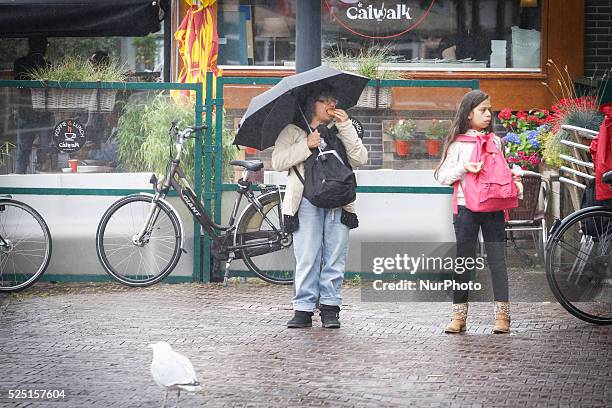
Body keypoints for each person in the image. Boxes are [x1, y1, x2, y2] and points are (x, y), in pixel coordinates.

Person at [271, 88, 368, 329]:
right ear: (311, 104)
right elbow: (278, 162)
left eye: (333, 99)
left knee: (335, 255)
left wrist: (346, 127)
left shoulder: (341, 129)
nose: (331, 103)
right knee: (307, 255)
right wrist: (306, 144)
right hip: (305, 200)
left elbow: (360, 158)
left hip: (339, 200)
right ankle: (303, 308)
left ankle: (330, 308)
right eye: (324, 99)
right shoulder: (293, 131)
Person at [434, 90, 521, 334]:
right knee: (464, 262)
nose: (488, 114)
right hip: (465, 209)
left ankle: (503, 317)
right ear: (468, 113)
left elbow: (500, 171)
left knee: (497, 262)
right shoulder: (458, 143)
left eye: (489, 109)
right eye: (482, 110)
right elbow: (441, 176)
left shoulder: (495, 141)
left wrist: (513, 178)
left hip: (493, 208)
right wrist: (464, 168)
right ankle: (458, 317)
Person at [14, 37, 53, 174]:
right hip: (35, 113)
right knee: (41, 152)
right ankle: (21, 183)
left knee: (25, 152)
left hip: (30, 112)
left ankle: (18, 184)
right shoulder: (46, 65)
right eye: (45, 45)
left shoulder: (20, 63)